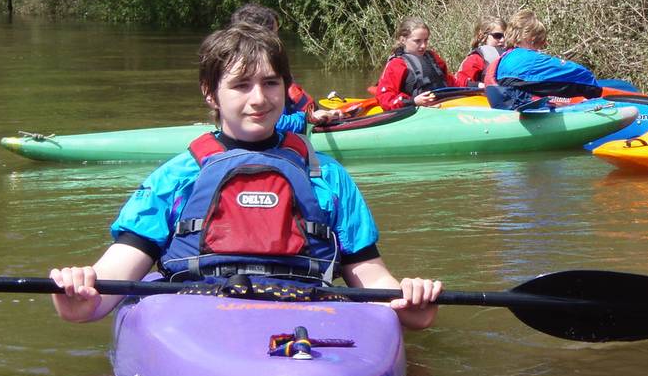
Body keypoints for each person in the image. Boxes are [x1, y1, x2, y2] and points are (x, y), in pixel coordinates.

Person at [49, 23, 442, 330]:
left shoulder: (328, 176)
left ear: (286, 88)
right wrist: (81, 295)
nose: (259, 98)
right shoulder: (177, 176)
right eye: (240, 85)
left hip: (309, 311)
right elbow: (114, 276)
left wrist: (411, 300)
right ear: (210, 93)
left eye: (271, 83)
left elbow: (371, 277)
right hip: (197, 313)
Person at [229, 3, 345, 129]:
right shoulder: (242, 73)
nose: (278, 40)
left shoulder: (273, 66)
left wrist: (321, 114)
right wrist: (308, 119)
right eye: (274, 33)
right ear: (258, 36)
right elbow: (270, 123)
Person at [483, 9, 604, 111]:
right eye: (539, 42)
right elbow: (583, 79)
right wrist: (595, 90)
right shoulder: (527, 60)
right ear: (529, 38)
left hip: (507, 107)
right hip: (520, 114)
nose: (539, 48)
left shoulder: (503, 59)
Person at [375, 16, 459, 111]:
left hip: (444, 103)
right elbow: (385, 98)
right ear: (403, 40)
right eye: (417, 41)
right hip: (416, 110)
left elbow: (451, 81)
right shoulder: (396, 64)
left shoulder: (433, 57)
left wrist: (474, 85)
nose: (423, 46)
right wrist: (413, 101)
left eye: (426, 40)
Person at [455, 16, 506, 88]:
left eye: (505, 36)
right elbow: (461, 81)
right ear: (482, 36)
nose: (502, 40)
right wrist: (480, 85)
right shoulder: (476, 58)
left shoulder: (511, 54)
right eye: (497, 36)